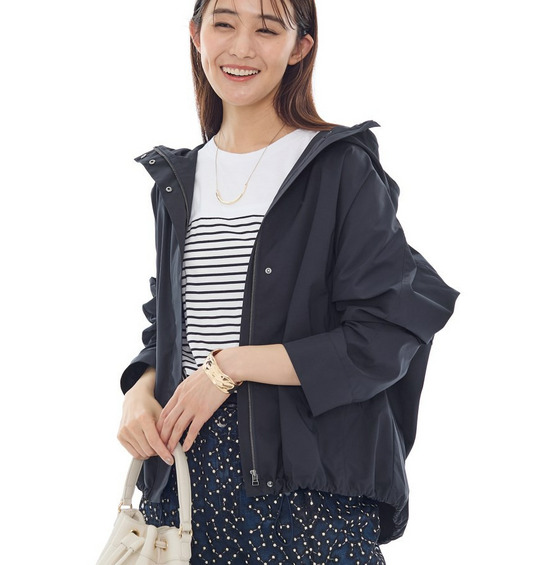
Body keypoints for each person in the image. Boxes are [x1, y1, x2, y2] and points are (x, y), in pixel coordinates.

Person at [117, 0, 459, 563]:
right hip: (184, 485)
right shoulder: (177, 180)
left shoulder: (339, 168)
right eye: (224, 23)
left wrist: (228, 368)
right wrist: (140, 389)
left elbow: (385, 331)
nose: (242, 47)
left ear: (300, 46)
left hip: (307, 496)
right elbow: (171, 322)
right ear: (196, 34)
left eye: (267, 28)